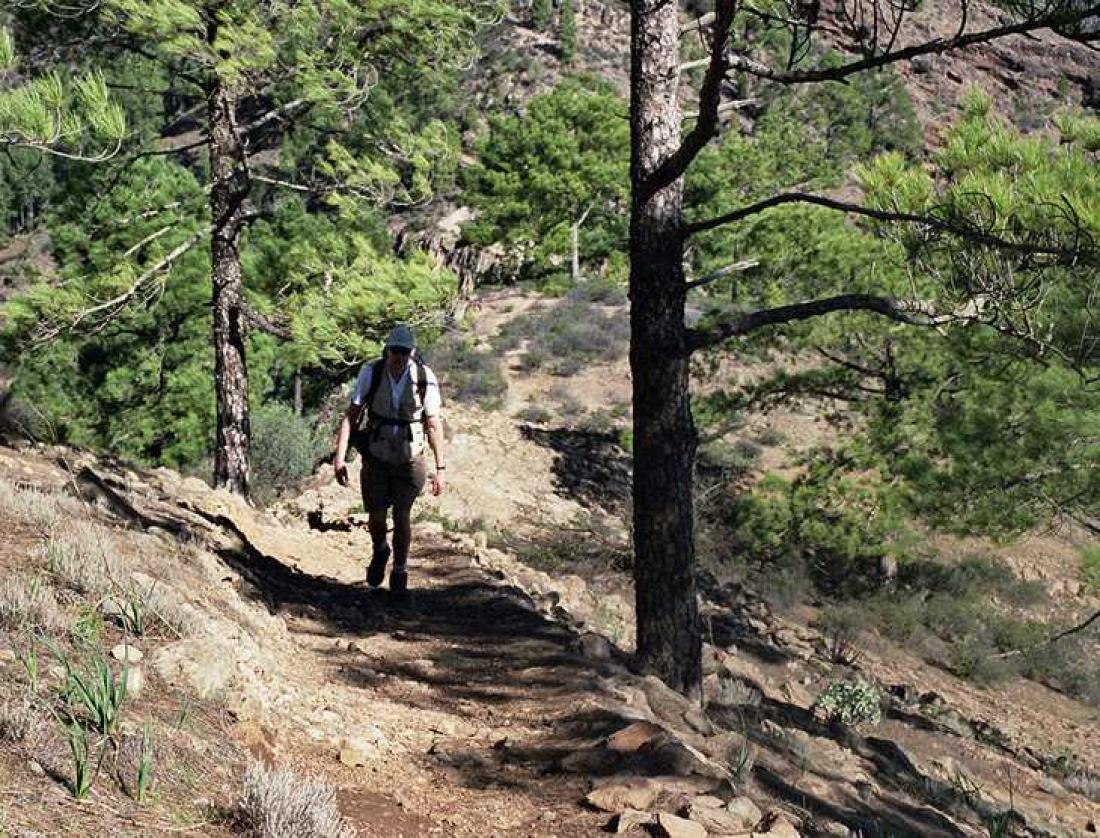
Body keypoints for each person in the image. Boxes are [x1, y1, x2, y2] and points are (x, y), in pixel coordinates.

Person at [333, 324, 446, 596]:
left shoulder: (424, 377)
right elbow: (352, 416)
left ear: (413, 352)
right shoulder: (371, 373)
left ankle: (400, 571)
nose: (399, 356)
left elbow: (433, 424)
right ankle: (380, 549)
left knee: (403, 514)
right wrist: (340, 458)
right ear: (387, 350)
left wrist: (440, 469)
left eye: (405, 352)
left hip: (411, 456)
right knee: (376, 514)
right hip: (377, 455)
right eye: (395, 351)